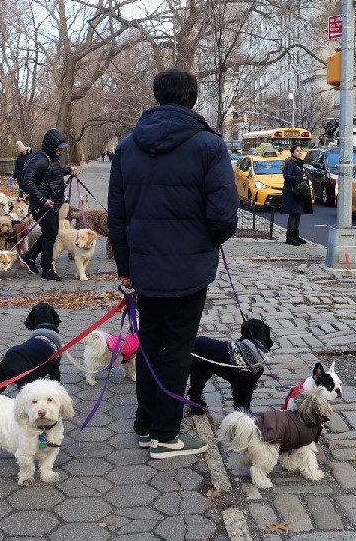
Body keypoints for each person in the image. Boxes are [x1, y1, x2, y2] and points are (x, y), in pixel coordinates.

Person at [108, 68, 238, 459]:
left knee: (150, 345)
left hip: (145, 268)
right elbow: (223, 214)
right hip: (188, 268)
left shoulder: (128, 147)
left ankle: (146, 424)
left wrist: (125, 267)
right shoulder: (209, 146)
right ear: (192, 100)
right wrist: (211, 238)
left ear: (157, 96)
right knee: (177, 349)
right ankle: (166, 435)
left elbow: (117, 216)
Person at [20, 129, 78, 280]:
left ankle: (29, 256)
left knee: (50, 233)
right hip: (42, 205)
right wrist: (42, 200)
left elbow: (53, 172)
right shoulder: (40, 160)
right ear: (51, 145)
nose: (61, 150)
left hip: (52, 204)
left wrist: (68, 170)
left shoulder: (52, 158)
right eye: (59, 147)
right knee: (51, 234)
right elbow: (27, 182)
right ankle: (47, 268)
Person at [281, 145, 311, 246]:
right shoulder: (291, 163)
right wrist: (300, 178)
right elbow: (287, 177)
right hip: (292, 192)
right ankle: (289, 237)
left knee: (298, 213)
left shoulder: (299, 163)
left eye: (300, 151)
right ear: (292, 153)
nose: (299, 152)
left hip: (299, 192)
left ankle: (295, 236)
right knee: (293, 214)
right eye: (297, 151)